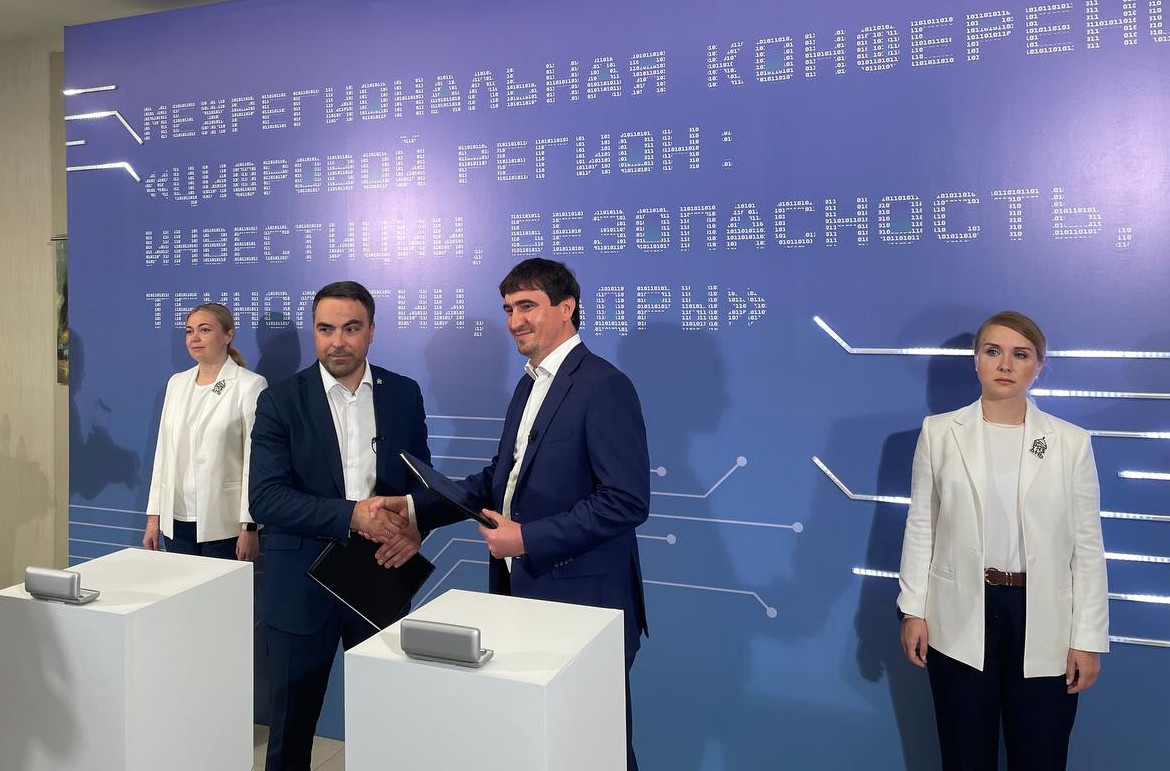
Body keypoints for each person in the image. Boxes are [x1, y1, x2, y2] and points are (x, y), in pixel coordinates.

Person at [388, 258, 650, 770]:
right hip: (522, 594)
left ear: (567, 308)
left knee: (597, 748)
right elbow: (500, 478)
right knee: (540, 746)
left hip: (584, 604)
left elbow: (627, 500)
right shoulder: (531, 383)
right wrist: (417, 509)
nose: (514, 321)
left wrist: (527, 538)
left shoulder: (604, 385)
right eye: (508, 309)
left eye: (527, 306)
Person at [897, 311, 1109, 770]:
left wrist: (1088, 638)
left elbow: (1088, 547)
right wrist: (913, 609)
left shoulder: (1070, 442)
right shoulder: (940, 433)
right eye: (993, 351)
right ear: (976, 360)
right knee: (964, 753)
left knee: (1041, 754)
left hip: (1045, 617)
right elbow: (921, 526)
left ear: (1039, 366)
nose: (1006, 364)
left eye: (1021, 354)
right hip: (959, 610)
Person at [248, 281, 437, 771]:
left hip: (379, 576)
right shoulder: (280, 400)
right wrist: (350, 514)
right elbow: (265, 499)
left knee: (387, 729)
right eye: (325, 329)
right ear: (314, 332)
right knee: (290, 738)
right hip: (300, 585)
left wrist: (416, 527)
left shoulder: (404, 393)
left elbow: (421, 485)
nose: (337, 342)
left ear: (371, 331)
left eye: (351, 329)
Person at [144, 302, 266, 560]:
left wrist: (249, 525)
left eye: (205, 330)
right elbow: (162, 454)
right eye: (189, 331)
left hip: (224, 523)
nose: (195, 338)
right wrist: (154, 518)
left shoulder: (249, 385)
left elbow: (254, 462)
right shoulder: (177, 383)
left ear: (228, 335)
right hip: (175, 521)